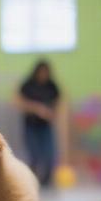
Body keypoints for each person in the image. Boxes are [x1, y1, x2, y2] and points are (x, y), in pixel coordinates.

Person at [17, 59, 60, 187]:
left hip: (46, 126)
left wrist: (51, 113)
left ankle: (47, 181)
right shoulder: (28, 85)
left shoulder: (52, 86)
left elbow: (58, 103)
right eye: (41, 72)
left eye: (45, 72)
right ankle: (32, 180)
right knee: (34, 154)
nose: (43, 75)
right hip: (31, 125)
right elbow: (18, 102)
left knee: (50, 154)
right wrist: (37, 109)